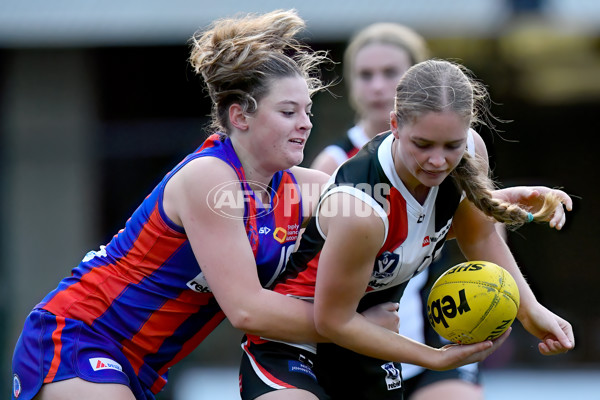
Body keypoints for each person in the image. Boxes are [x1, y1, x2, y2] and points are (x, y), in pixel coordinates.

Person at [10, 9, 397, 400]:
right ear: (239, 116)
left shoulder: (304, 188)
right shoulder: (210, 178)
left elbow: (388, 217)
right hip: (78, 333)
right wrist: (354, 326)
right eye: (287, 112)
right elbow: (248, 312)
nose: (305, 124)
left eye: (307, 111)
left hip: (141, 366)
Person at [239, 59, 574, 400]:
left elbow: (478, 234)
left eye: (451, 146)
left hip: (369, 339)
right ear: (395, 124)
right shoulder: (361, 206)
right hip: (295, 345)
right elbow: (332, 321)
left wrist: (531, 312)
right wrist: (435, 358)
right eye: (423, 144)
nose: (438, 161)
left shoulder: (472, 151)